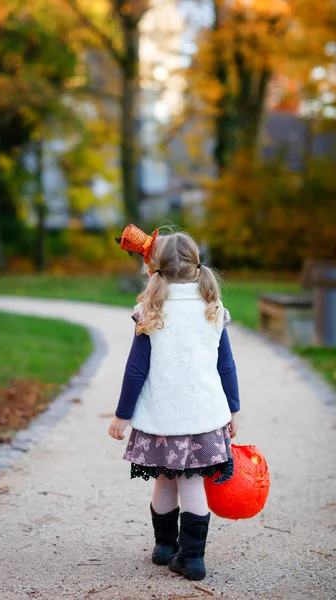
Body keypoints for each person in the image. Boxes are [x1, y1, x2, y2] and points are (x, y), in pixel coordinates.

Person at [109, 225, 240, 581]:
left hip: (162, 419)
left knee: (165, 481)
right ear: (197, 268)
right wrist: (234, 409)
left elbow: (136, 369)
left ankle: (165, 547)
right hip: (202, 417)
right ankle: (193, 558)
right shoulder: (213, 309)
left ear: (156, 269)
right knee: (193, 483)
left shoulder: (151, 310)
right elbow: (225, 364)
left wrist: (122, 415)